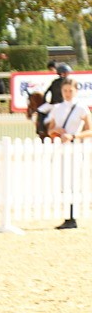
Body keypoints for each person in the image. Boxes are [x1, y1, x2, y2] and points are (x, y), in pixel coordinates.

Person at [43, 77, 92, 229]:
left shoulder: (81, 108)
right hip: (61, 149)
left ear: (76, 91)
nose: (68, 93)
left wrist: (74, 136)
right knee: (63, 182)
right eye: (65, 91)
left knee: (73, 182)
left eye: (70, 91)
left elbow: (90, 130)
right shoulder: (56, 108)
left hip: (75, 148)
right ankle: (68, 216)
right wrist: (57, 131)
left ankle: (72, 217)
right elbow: (50, 131)